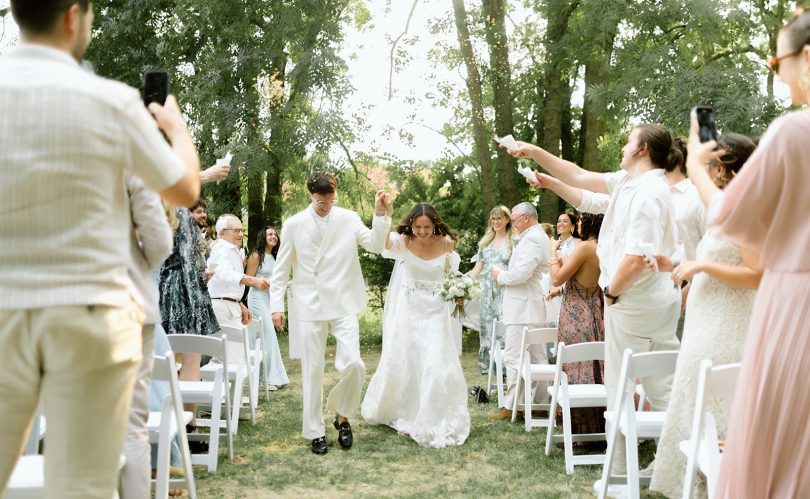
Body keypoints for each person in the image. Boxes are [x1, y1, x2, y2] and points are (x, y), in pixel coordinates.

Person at [0, 0, 200, 496]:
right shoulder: (111, 101)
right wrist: (176, 128)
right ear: (73, 16)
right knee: (82, 485)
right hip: (91, 311)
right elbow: (183, 190)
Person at [509, 124, 681, 481]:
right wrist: (542, 166)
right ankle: (677, 462)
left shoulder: (648, 193)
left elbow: (636, 257)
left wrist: (611, 293)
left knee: (620, 384)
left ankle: (619, 473)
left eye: (628, 141)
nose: (623, 146)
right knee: (659, 385)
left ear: (643, 149)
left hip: (636, 302)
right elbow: (581, 182)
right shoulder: (631, 183)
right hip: (649, 300)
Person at [700, 11, 810, 497]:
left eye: (776, 58)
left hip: (796, 303)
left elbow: (728, 214)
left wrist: (697, 159)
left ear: (806, 58)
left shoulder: (793, 132)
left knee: (781, 440)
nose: (774, 68)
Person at [650, 134, 760, 498]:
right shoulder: (723, 207)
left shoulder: (745, 208)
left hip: (726, 323)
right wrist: (680, 264)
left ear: (724, 167)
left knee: (715, 400)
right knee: (697, 397)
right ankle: (695, 485)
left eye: (711, 162)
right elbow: (716, 259)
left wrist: (702, 266)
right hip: (704, 318)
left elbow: (755, 274)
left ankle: (721, 483)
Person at [269, 172, 393, 455]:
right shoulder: (294, 224)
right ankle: (315, 431)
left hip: (343, 302)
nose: (326, 206)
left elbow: (375, 245)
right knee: (312, 371)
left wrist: (380, 214)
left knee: (354, 364)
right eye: (321, 202)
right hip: (309, 304)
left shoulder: (348, 218)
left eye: (330, 201)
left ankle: (342, 416)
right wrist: (277, 306)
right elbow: (281, 269)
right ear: (311, 195)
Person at [361, 203, 470, 448]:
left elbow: (452, 276)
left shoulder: (446, 244)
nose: (422, 231)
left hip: (435, 312)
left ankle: (431, 416)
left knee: (433, 363)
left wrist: (459, 292)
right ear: (411, 224)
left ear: (435, 224)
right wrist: (382, 214)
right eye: (418, 226)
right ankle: (407, 415)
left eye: (427, 227)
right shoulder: (403, 241)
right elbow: (380, 244)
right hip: (409, 310)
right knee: (409, 362)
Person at [120, 174, 174, 499]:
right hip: (128, 300)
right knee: (131, 425)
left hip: (51, 308)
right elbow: (159, 241)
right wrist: (136, 266)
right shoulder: (124, 157)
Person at [488, 202, 551, 421]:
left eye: (514, 219)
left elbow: (522, 274)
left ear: (525, 218)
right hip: (530, 305)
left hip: (522, 307)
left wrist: (501, 277)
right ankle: (541, 404)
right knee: (538, 357)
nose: (513, 224)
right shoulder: (537, 236)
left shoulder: (533, 238)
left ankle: (512, 406)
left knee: (514, 357)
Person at [549, 213, 605, 438]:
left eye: (581, 220)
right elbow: (584, 279)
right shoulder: (602, 247)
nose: (579, 224)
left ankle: (578, 432)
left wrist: (552, 252)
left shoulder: (584, 247)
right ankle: (597, 427)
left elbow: (556, 278)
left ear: (591, 222)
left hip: (575, 315)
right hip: (593, 311)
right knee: (592, 366)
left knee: (574, 366)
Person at [467, 206, 516, 374]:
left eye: (499, 218)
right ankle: (488, 366)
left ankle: (506, 366)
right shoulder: (485, 242)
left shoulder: (514, 241)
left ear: (507, 219)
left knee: (505, 327)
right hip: (487, 292)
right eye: (493, 218)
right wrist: (463, 284)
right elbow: (477, 269)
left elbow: (517, 268)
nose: (495, 221)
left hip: (506, 290)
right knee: (488, 328)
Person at [245, 226, 290, 390]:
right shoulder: (256, 256)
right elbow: (248, 280)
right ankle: (270, 379)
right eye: (270, 234)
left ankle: (264, 377)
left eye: (275, 234)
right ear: (263, 236)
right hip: (257, 298)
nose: (274, 236)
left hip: (270, 299)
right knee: (268, 334)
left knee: (264, 337)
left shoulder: (277, 256)